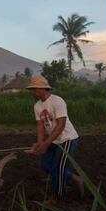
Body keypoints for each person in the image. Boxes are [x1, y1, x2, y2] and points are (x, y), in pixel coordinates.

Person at [26, 75, 84, 204]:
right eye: (33, 89)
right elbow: (40, 126)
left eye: (35, 89)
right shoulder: (37, 106)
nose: (33, 92)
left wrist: (46, 144)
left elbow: (61, 124)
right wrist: (40, 143)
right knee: (46, 165)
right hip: (54, 140)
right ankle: (76, 179)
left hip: (67, 139)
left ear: (43, 88)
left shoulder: (57, 101)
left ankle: (56, 196)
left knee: (58, 168)